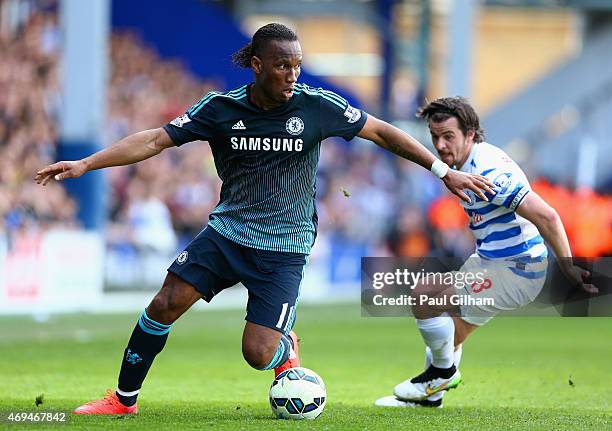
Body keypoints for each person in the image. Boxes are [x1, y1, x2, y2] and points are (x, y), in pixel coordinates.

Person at [35, 24, 493, 415]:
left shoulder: (317, 106)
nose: (293, 75)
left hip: (286, 245)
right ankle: (123, 398)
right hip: (228, 232)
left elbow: (380, 132)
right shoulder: (221, 109)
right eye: (282, 66)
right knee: (165, 302)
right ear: (256, 64)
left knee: (257, 354)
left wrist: (442, 170)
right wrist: (86, 164)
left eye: (296, 65)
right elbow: (156, 140)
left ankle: (284, 347)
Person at [374, 96, 597, 408]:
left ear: (470, 134)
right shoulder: (466, 165)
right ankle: (430, 396)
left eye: (448, 136)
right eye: (435, 137)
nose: (440, 145)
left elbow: (547, 215)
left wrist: (569, 265)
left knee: (425, 296)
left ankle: (441, 374)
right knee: (449, 333)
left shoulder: (489, 170)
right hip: (492, 261)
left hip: (516, 269)